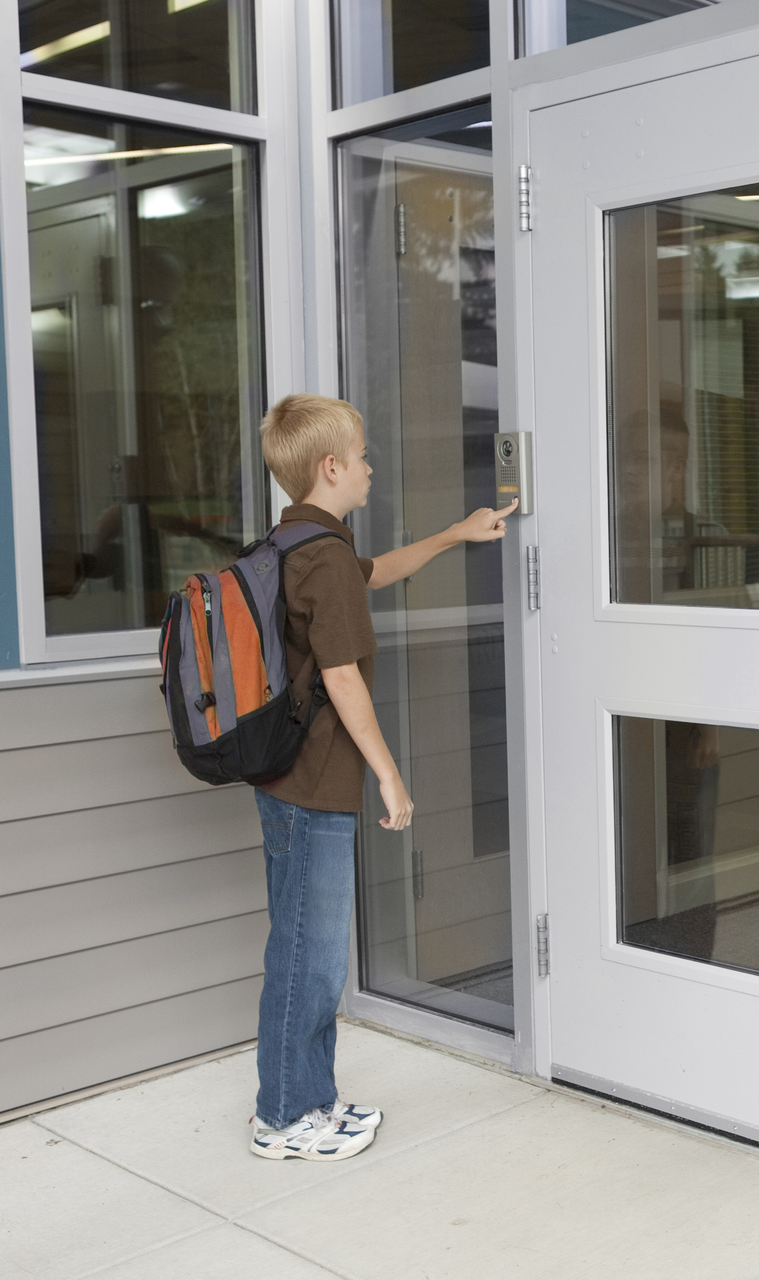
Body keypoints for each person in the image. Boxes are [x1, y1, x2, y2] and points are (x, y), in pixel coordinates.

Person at [248, 392, 515, 1161]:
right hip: (314, 784)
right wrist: (390, 777)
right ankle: (283, 1119)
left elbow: (375, 573)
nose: (371, 467)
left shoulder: (298, 541)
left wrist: (456, 533)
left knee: (304, 946)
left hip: (285, 779)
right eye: (363, 456)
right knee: (311, 956)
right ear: (331, 467)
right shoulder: (323, 557)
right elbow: (341, 677)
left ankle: (311, 1100)